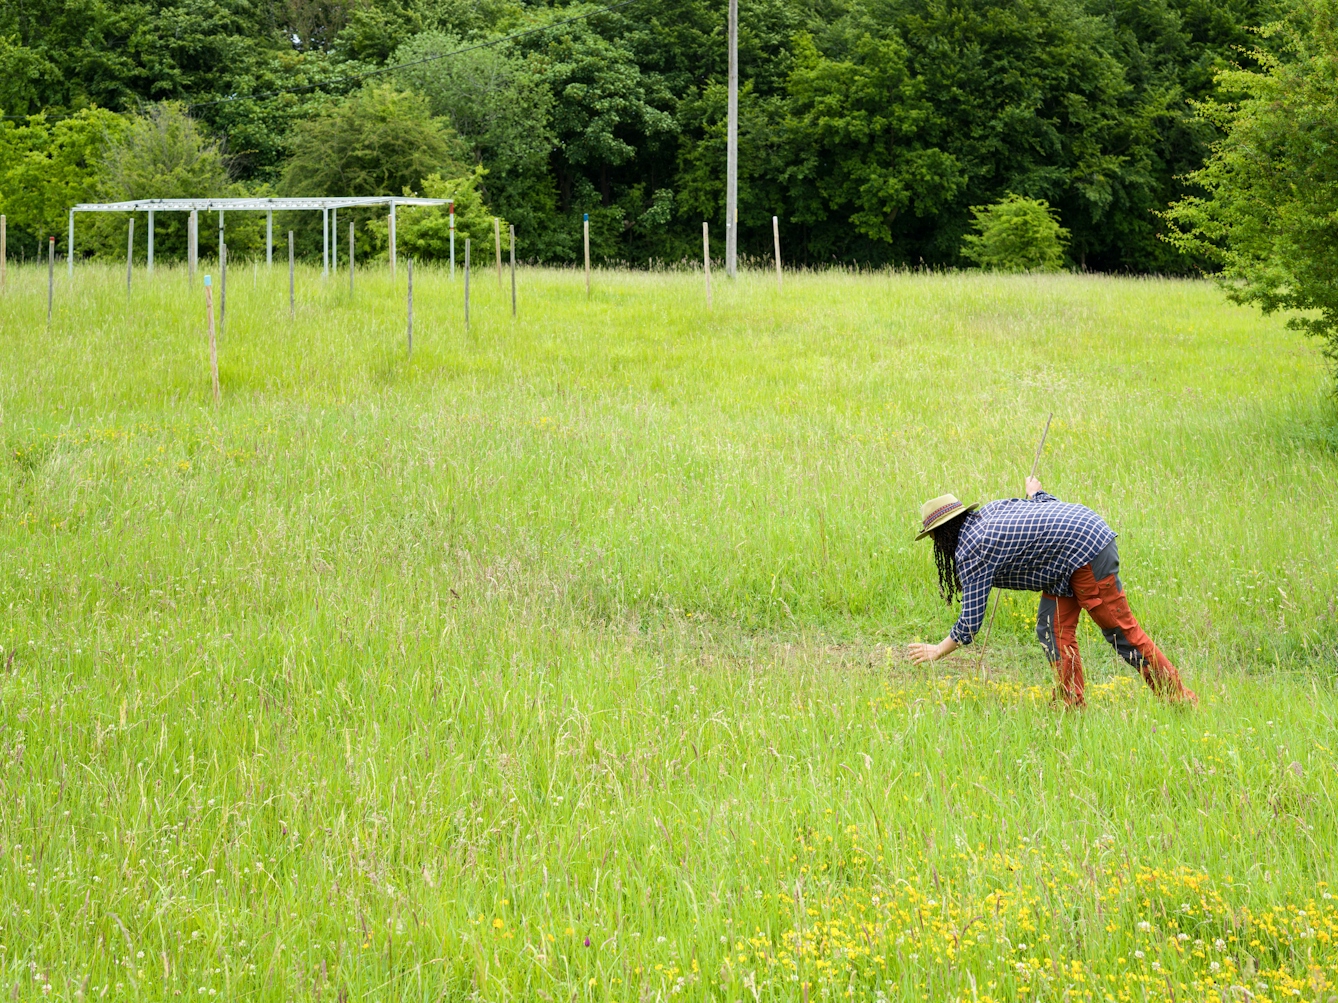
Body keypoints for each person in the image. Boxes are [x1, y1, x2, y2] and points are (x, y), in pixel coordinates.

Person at [906, 479, 1195, 707]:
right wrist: (1036, 493)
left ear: (944, 531)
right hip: (1062, 563)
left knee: (1120, 631)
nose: (934, 543)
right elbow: (1042, 507)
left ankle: (1178, 698)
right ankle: (1071, 703)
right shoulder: (989, 512)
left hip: (1086, 551)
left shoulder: (973, 548)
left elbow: (970, 622)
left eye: (933, 536)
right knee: (1051, 629)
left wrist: (938, 650)